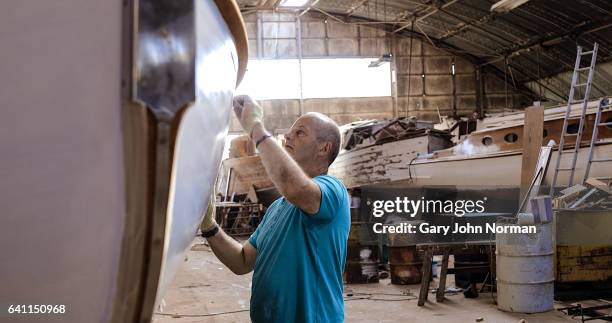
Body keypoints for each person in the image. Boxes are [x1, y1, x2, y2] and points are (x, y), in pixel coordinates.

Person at [200, 95, 350, 323]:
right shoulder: (277, 208)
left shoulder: (333, 191)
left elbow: (295, 187)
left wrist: (256, 129)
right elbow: (242, 261)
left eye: (300, 132)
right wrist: (210, 226)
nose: (288, 136)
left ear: (324, 148)